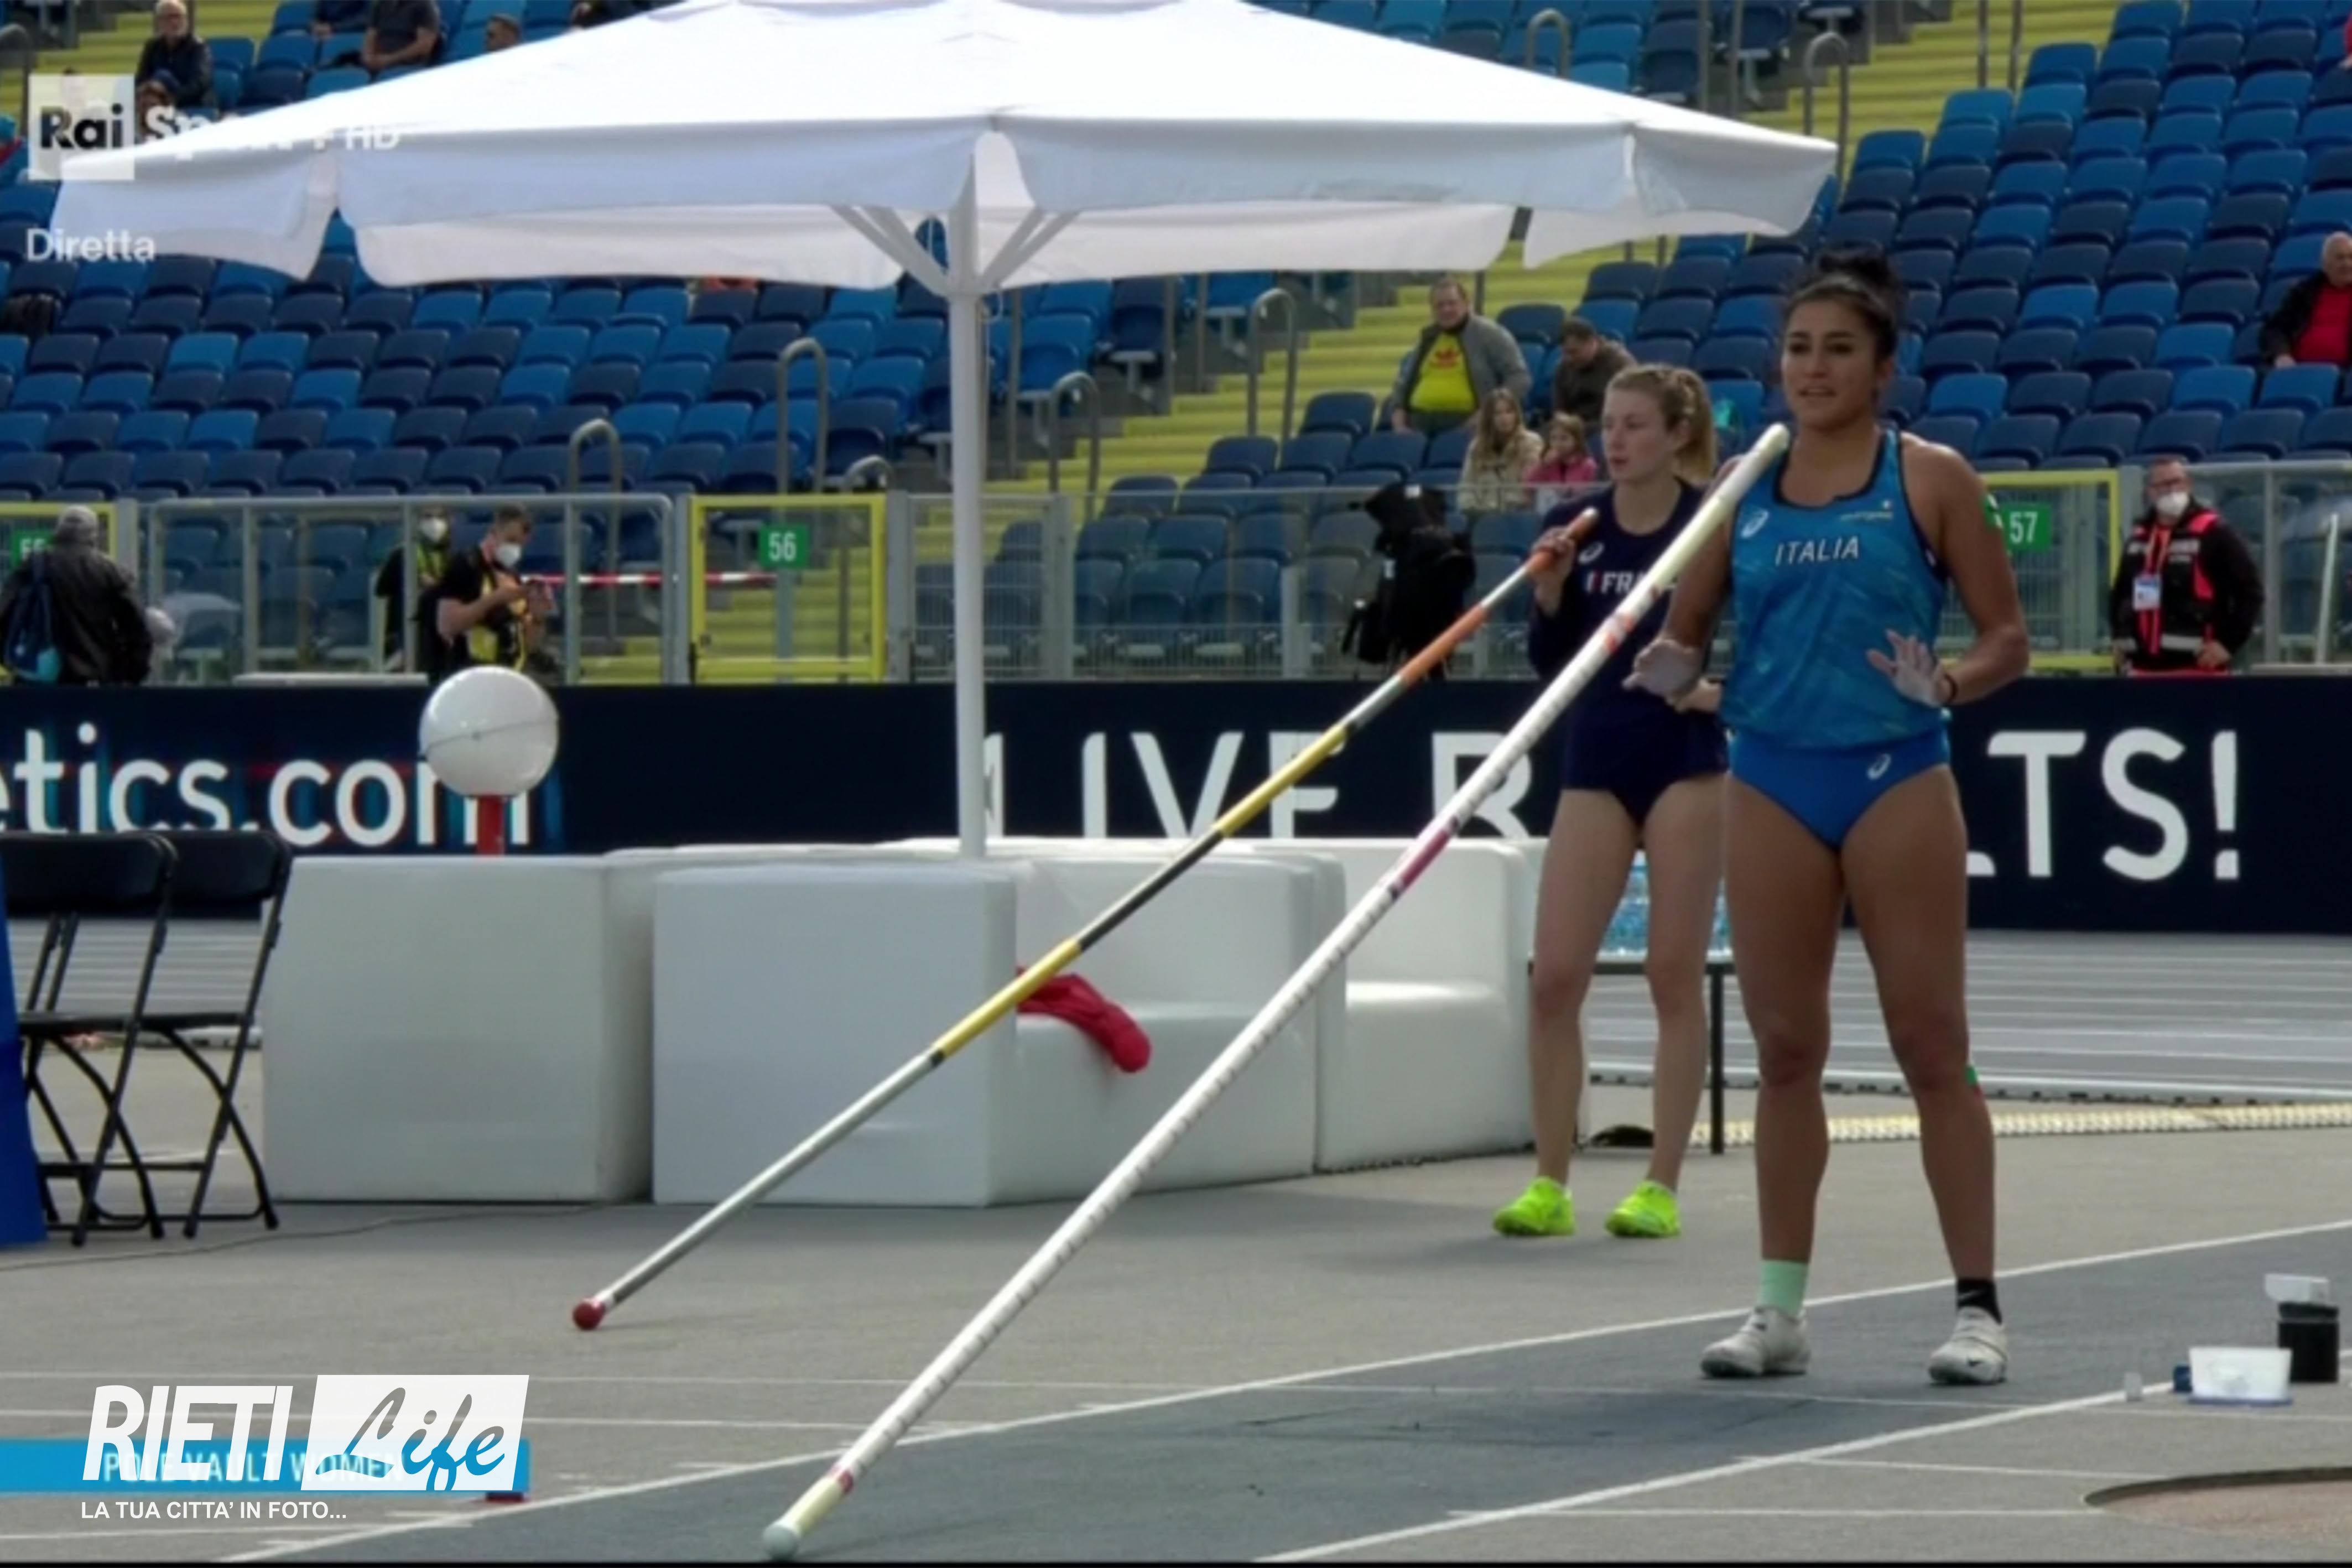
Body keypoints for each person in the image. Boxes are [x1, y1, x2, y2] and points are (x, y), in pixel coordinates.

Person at [1627, 249, 2031, 1385]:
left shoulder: (1929, 477)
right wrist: (1669, 666)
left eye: (1837, 350)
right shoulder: (1743, 485)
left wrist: (1944, 682)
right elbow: (1685, 633)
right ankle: (1779, 1310)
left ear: (1882, 368)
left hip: (1894, 775)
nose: (1811, 369)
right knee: (1784, 1049)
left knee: (1930, 1046)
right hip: (1769, 777)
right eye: (1798, 349)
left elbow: (2007, 639)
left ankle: (1977, 1309)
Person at [1494, 366, 1725, 1245]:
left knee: (1673, 973)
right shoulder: (1577, 527)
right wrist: (1551, 593)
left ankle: (1660, 1183)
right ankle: (1550, 1181)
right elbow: (1556, 667)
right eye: (1608, 425)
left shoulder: (1709, 526)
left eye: (1634, 425)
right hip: (1596, 759)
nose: (1614, 441)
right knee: (1555, 977)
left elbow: (1763, 645)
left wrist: (1708, 693)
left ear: (1677, 433)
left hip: (1684, 762)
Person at [2109, 457, 2264, 676]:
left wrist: (2228, 644)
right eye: (2163, 485)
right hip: (2141, 670)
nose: (2172, 490)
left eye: (2177, 482)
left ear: (2189, 485)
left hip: (2198, 671)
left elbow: (2250, 593)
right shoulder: (2139, 537)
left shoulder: (2214, 533)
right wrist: (2118, 637)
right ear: (2150, 492)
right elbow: (2120, 594)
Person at [0, 508, 156, 687]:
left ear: (58, 531)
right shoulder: (110, 571)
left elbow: (4, 614)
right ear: (94, 535)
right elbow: (137, 627)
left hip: (36, 677)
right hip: (95, 677)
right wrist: (130, 675)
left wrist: (11, 661)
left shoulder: (32, 565)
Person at [1387, 277, 1530, 438]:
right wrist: (1399, 420)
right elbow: (1402, 383)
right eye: (1440, 305)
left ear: (1466, 303)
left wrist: (1488, 414)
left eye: (1452, 303)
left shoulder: (1489, 334)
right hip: (1418, 423)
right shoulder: (1428, 338)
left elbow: (1520, 378)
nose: (1446, 310)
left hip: (1467, 424)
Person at [430, 506, 549, 681]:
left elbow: (528, 645)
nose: (514, 548)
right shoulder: (466, 565)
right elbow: (447, 626)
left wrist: (538, 617)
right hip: (470, 676)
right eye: (510, 540)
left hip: (509, 677)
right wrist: (495, 599)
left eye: (519, 544)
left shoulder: (511, 574)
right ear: (494, 533)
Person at [374, 506, 454, 669]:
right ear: (417, 523)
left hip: (441, 635)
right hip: (405, 633)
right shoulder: (402, 554)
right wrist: (412, 579)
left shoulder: (452, 557)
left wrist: (436, 587)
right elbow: (381, 589)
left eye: (439, 518)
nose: (434, 523)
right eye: (428, 517)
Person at [2260, 232, 2352, 372]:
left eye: (2351, 257)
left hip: (2344, 374)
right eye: (2340, 258)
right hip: (2297, 371)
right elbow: (2274, 329)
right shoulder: (2305, 291)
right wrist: (2282, 355)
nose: (2347, 264)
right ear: (2325, 265)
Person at [1456, 388, 1544, 519]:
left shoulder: (1531, 443)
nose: (1504, 418)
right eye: (1497, 413)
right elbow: (1466, 487)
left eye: (1509, 412)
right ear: (1489, 418)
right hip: (1483, 515)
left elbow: (1533, 488)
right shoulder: (1477, 447)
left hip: (1518, 515)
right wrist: (1473, 511)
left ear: (1517, 415)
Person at [1549, 317, 1634, 431]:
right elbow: (1560, 410)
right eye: (1565, 353)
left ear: (1592, 342)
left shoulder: (1618, 363)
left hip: (1608, 425)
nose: (1569, 358)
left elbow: (1631, 405)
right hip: (1573, 428)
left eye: (1574, 352)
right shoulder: (1563, 368)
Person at [135, 0, 213, 111]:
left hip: (191, 103)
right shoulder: (152, 47)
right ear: (159, 22)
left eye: (179, 17)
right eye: (169, 18)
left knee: (162, 76)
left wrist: (169, 98)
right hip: (158, 102)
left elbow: (200, 84)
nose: (175, 22)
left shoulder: (198, 47)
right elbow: (142, 79)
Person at [1526, 412, 1600, 513]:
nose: (1558, 444)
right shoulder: (1547, 465)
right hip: (1552, 513)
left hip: (1577, 513)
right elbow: (1529, 484)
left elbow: (1593, 494)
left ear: (1576, 440)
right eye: (1554, 438)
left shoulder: (1588, 465)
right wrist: (1543, 465)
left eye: (1564, 438)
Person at [361, 0, 441, 75]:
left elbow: (424, 46)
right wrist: (368, 57)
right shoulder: (382, 4)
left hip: (409, 68)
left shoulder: (425, 5)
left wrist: (389, 60)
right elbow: (371, 33)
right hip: (379, 65)